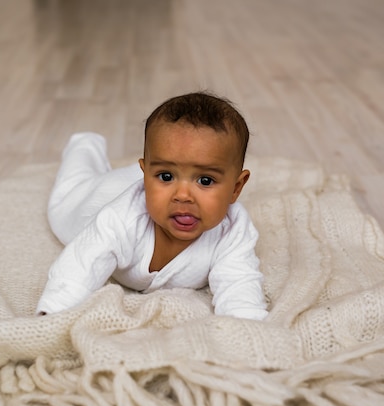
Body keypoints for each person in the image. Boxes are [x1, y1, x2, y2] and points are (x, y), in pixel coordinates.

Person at [36, 92, 268, 320]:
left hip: (150, 190)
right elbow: (82, 262)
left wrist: (246, 324)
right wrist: (54, 310)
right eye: (166, 175)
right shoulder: (120, 219)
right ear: (145, 173)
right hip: (97, 198)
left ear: (236, 188)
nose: (183, 195)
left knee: (165, 178)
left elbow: (239, 281)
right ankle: (86, 143)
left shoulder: (232, 229)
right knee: (73, 184)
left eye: (205, 181)